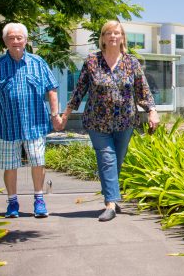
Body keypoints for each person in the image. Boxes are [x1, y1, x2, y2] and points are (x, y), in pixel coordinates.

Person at [57, 20, 159, 221]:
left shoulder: (131, 62)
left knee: (116, 162)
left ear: (122, 38)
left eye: (116, 33)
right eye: (108, 33)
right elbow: (79, 90)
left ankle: (110, 197)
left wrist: (152, 111)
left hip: (125, 122)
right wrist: (65, 115)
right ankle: (110, 204)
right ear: (102, 38)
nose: (113, 36)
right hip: (97, 122)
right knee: (107, 159)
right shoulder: (92, 61)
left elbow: (143, 90)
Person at [0, 22, 60, 218]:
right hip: (8, 125)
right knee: (9, 166)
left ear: (25, 40)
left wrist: (55, 115)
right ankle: (12, 202)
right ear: (5, 41)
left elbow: (52, 89)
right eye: (11, 38)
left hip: (35, 124)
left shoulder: (38, 62)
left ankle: (39, 200)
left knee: (38, 162)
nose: (15, 41)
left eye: (19, 37)